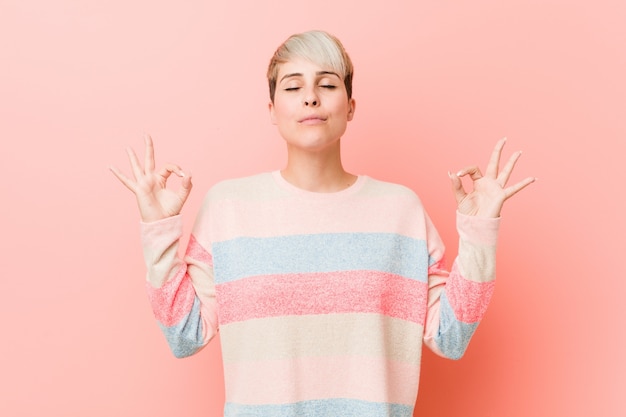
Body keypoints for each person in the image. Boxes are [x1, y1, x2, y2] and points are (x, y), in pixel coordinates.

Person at [110, 30, 535, 417]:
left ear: (350, 107)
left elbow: (451, 337)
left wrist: (479, 232)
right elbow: (184, 336)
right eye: (293, 87)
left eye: (327, 84)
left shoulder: (400, 211)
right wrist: (158, 228)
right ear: (272, 109)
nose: (311, 97)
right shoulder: (228, 208)